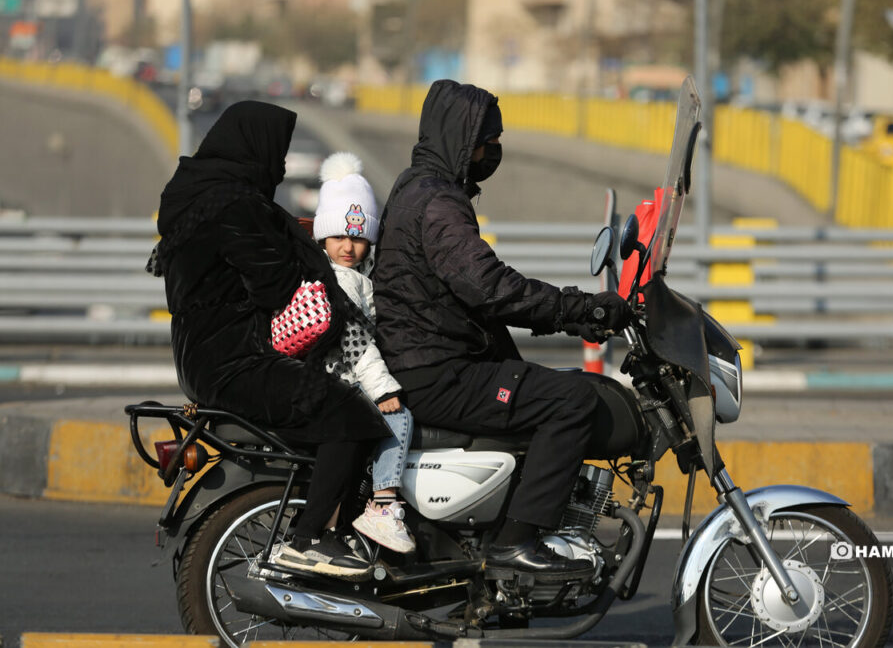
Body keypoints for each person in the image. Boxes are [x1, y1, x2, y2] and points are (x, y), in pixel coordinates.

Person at [372, 79, 631, 578]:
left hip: (425, 360)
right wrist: (581, 311)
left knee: (541, 382)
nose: (495, 152)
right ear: (464, 141)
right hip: (437, 371)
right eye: (488, 141)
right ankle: (518, 542)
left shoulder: (416, 186)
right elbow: (489, 287)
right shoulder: (438, 203)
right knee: (572, 400)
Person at [149, 101, 391, 579]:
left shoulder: (199, 197)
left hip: (206, 359)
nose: (278, 170)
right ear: (254, 150)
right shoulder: (236, 206)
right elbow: (275, 285)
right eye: (275, 158)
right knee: (350, 415)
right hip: (235, 361)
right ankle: (311, 539)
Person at [313, 151, 416, 554]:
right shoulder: (341, 281)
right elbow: (355, 342)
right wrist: (383, 389)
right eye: (339, 236)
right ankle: (384, 504)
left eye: (358, 238)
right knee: (399, 417)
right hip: (344, 383)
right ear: (323, 236)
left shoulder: (349, 276)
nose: (348, 247)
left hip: (335, 382)